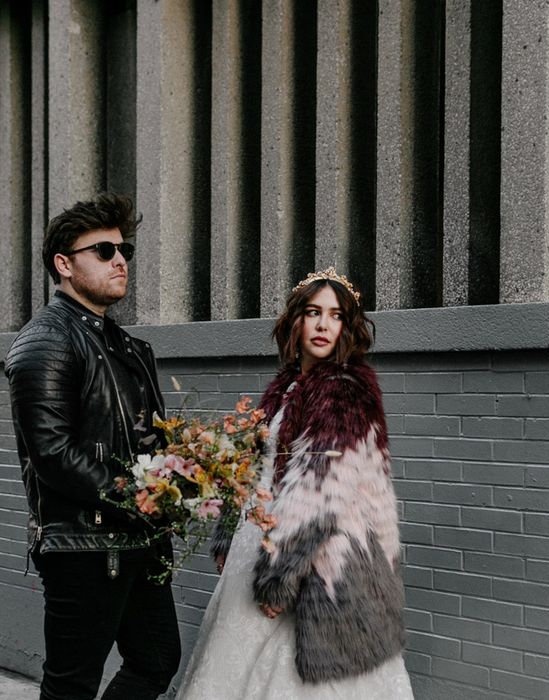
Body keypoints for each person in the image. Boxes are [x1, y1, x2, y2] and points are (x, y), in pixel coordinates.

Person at [177, 267, 413, 699]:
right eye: (313, 312)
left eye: (336, 315)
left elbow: (323, 494)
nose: (323, 325)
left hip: (310, 555)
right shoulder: (286, 387)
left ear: (347, 326)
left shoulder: (343, 391)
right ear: (296, 320)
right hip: (258, 540)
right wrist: (228, 532)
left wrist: (282, 575)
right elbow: (251, 469)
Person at [4, 194, 181, 700]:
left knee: (155, 661)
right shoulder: (46, 341)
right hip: (83, 545)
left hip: (138, 540)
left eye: (124, 250)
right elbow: (53, 453)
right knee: (71, 685)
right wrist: (138, 496)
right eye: (103, 250)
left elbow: (147, 438)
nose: (120, 259)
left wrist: (179, 480)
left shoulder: (127, 346)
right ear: (64, 264)